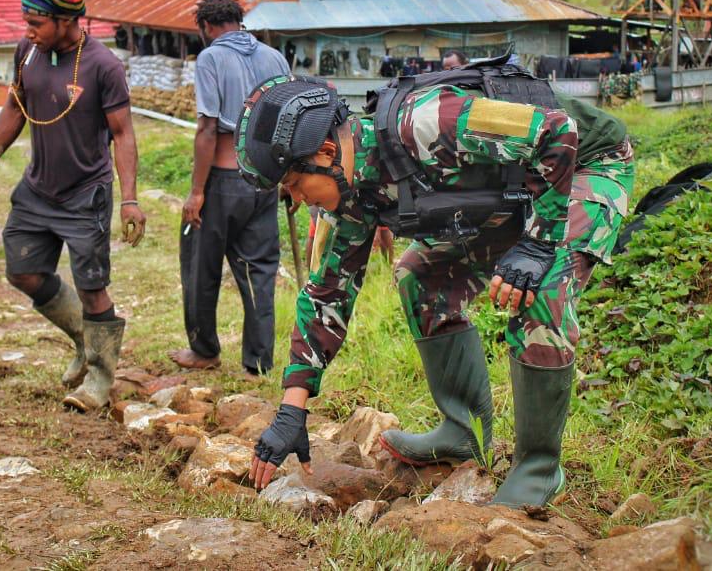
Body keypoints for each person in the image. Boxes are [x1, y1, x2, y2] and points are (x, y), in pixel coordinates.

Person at [236, 68, 634, 508]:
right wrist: (293, 411)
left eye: (293, 184)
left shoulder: (428, 122)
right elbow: (327, 293)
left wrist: (539, 245)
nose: (294, 199)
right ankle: (464, 432)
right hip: (512, 191)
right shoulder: (349, 195)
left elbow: (557, 132)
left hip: (586, 163)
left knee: (539, 284)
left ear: (327, 151)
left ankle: (538, 468)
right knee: (418, 274)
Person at [0, 0, 146, 412]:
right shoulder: (29, 50)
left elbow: (123, 134)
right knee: (21, 270)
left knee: (92, 288)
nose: (28, 30)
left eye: (37, 22)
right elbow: (15, 105)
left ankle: (101, 378)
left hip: (86, 194)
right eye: (26, 21)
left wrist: (129, 199)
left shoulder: (103, 66)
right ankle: (86, 341)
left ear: (67, 21)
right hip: (37, 190)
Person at [174, 0, 291, 374]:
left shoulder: (210, 58)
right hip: (264, 181)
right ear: (240, 21)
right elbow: (289, 121)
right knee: (259, 270)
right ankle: (259, 362)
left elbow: (208, 127)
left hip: (223, 180)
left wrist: (196, 192)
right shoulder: (274, 57)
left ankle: (205, 349)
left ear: (206, 28)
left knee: (200, 266)